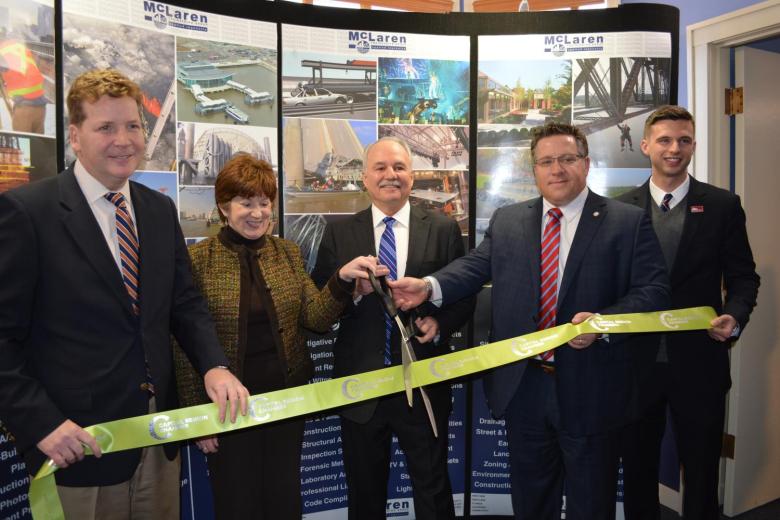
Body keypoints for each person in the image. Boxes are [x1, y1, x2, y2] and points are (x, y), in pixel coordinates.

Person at [0, 69, 249, 519]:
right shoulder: (28, 213)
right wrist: (41, 424)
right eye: (105, 128)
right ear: (75, 136)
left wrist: (215, 366)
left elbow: (184, 302)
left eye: (133, 126)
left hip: (157, 437)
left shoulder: (157, 209)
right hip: (78, 445)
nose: (124, 140)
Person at [391, 122, 670, 520]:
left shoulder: (626, 221)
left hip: (593, 389)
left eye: (567, 159)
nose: (557, 169)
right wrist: (428, 286)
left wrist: (602, 324)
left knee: (592, 504)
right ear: (534, 170)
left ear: (586, 164)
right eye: (547, 161)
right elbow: (474, 267)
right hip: (525, 389)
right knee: (531, 502)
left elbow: (654, 290)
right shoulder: (508, 220)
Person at [173, 154, 382, 520]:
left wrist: (342, 281)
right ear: (224, 207)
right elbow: (184, 340)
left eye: (264, 203)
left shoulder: (287, 252)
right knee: (236, 503)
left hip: (286, 403)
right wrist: (196, 414)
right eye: (246, 203)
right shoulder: (199, 259)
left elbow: (315, 318)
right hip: (226, 409)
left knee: (283, 501)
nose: (257, 213)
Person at [311, 136, 475, 520]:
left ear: (412, 177)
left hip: (423, 383)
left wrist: (439, 321)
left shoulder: (442, 227)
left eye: (399, 168)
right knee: (364, 493)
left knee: (433, 488)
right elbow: (318, 304)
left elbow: (465, 295)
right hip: (361, 386)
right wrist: (350, 291)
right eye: (381, 168)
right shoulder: (339, 233)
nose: (391, 176)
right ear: (365, 178)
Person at [618, 105, 760, 520]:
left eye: (683, 140)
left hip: (700, 362)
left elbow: (744, 278)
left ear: (693, 146)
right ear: (646, 146)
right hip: (634, 366)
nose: (674, 149)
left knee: (700, 473)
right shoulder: (620, 210)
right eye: (664, 140)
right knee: (639, 472)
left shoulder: (722, 205)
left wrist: (734, 317)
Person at [0, 36, 47, 134]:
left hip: (24, 108)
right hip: (40, 105)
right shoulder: (17, 47)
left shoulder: (2, 54)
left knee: (23, 146)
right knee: (39, 146)